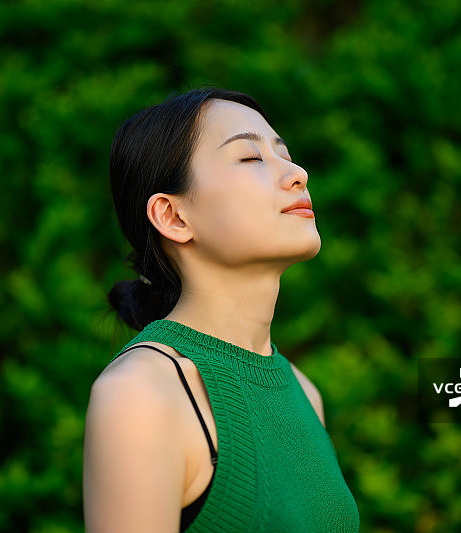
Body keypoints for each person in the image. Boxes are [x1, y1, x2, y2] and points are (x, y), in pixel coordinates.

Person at [83, 87, 360, 532]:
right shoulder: (141, 395)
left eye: (285, 154)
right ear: (173, 217)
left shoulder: (304, 393)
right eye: (251, 158)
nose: (298, 174)